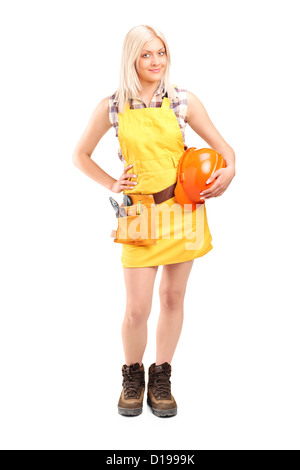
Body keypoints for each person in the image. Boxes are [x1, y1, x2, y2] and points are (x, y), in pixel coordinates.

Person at [72, 25, 235, 418]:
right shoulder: (113, 106)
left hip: (184, 212)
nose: (156, 61)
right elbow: (80, 155)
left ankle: (162, 377)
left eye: (160, 52)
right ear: (132, 58)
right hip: (139, 213)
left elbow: (225, 151)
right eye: (146, 54)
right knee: (136, 310)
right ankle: (133, 375)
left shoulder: (182, 101)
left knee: (172, 298)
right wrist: (112, 182)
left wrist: (228, 173)